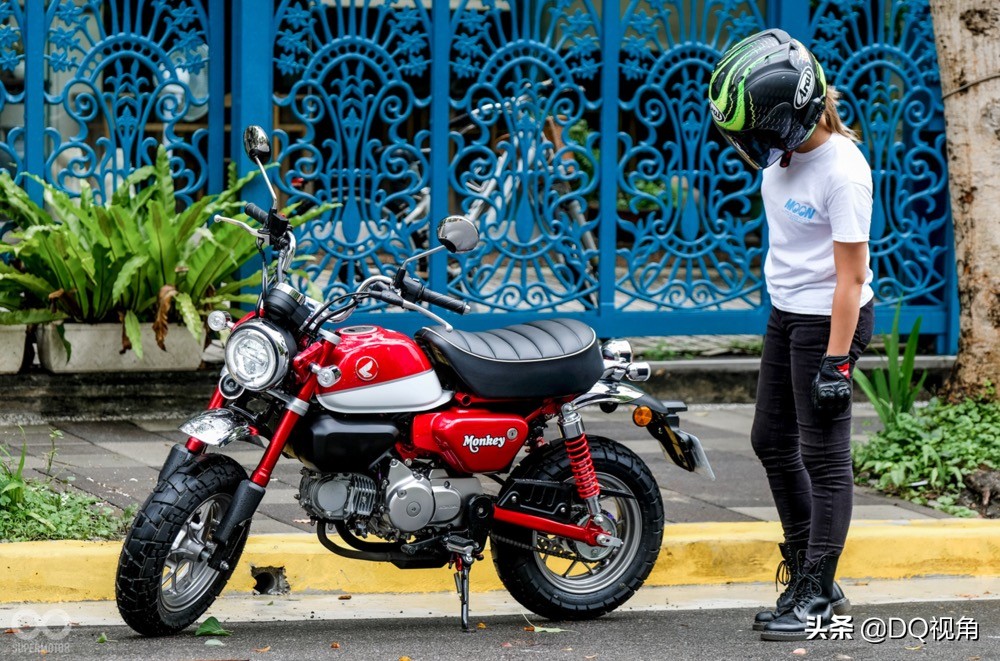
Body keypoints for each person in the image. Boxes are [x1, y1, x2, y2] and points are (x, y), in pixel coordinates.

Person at [707, 29, 875, 641]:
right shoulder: (785, 155)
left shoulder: (844, 172)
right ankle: (813, 576)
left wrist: (836, 363)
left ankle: (816, 592)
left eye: (755, 132)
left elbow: (851, 281)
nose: (748, 147)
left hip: (830, 319)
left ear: (789, 118)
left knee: (824, 458)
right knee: (769, 441)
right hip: (787, 313)